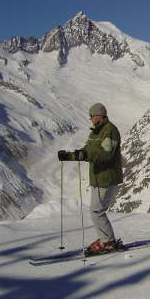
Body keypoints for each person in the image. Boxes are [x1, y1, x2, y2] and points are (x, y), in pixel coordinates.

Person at [57, 103, 124, 255]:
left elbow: (106, 155)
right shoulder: (95, 132)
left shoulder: (110, 131)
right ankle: (106, 239)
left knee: (97, 210)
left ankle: (108, 242)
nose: (90, 119)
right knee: (96, 210)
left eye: (92, 116)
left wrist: (85, 155)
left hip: (107, 178)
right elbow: (86, 151)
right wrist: (69, 156)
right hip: (97, 177)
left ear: (99, 116)